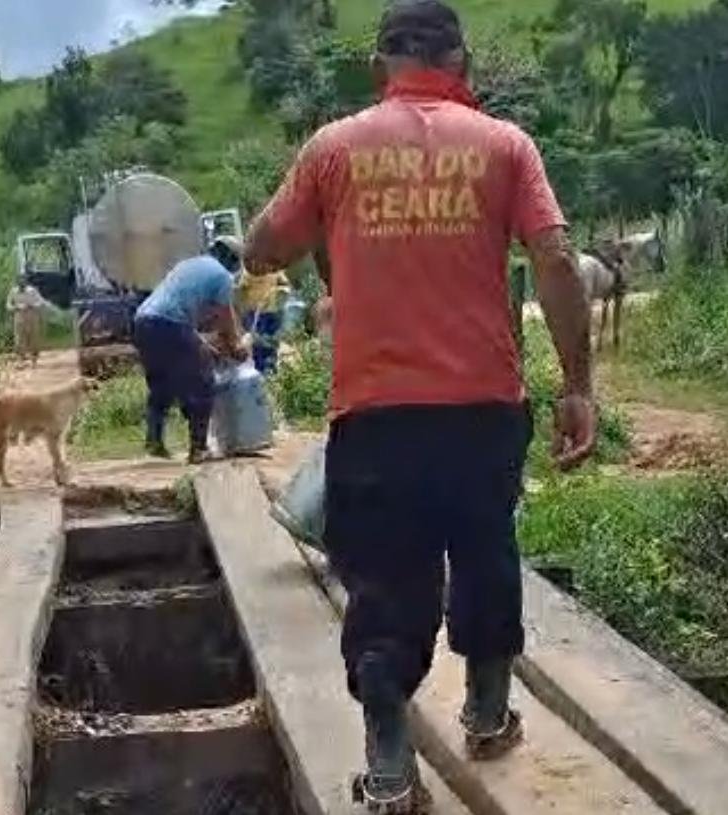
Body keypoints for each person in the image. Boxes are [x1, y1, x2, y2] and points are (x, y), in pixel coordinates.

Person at [244, 1, 596, 811]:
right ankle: (487, 713)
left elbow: (261, 248)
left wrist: (328, 224)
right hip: (483, 411)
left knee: (384, 585)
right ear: (462, 65)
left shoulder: (333, 149)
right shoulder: (506, 146)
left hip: (375, 419)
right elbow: (554, 257)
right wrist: (577, 385)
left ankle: (391, 767)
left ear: (380, 68)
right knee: (484, 553)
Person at [134, 236, 248, 464]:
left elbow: (179, 309)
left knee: (161, 384)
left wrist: (203, 345)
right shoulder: (222, 276)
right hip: (168, 323)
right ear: (233, 259)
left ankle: (154, 441)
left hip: (142, 321)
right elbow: (225, 316)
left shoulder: (188, 265)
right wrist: (236, 345)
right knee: (203, 383)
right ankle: (199, 449)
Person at [6, 275, 54, 367]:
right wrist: (16, 307)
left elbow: (40, 301)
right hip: (19, 316)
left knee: (33, 338)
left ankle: (34, 359)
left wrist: (32, 305)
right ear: (17, 282)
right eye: (20, 280)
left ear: (26, 282)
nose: (21, 282)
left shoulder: (32, 291)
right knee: (19, 338)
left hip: (32, 316)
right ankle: (20, 359)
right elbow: (8, 305)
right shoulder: (13, 292)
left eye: (23, 280)